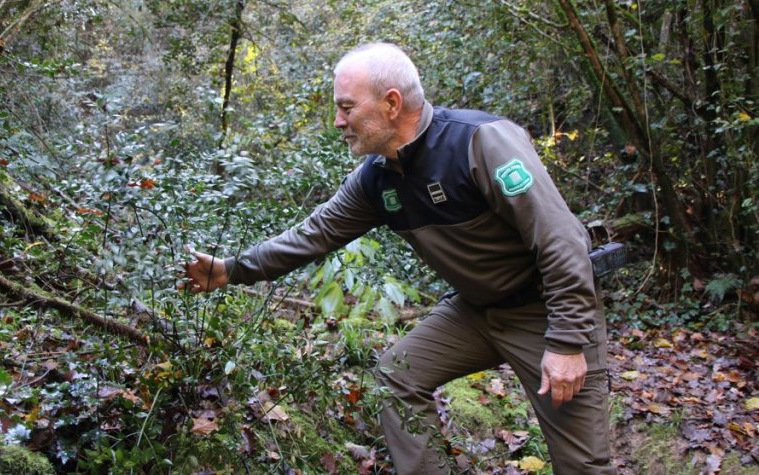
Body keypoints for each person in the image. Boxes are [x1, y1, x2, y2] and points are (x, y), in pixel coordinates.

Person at [182, 42, 616, 474]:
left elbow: (561, 240)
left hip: (546, 310)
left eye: (346, 107)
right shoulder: (376, 178)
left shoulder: (480, 142)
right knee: (396, 377)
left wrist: (566, 342)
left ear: (391, 103)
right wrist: (231, 269)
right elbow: (314, 234)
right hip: (476, 311)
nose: (338, 122)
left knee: (583, 464)